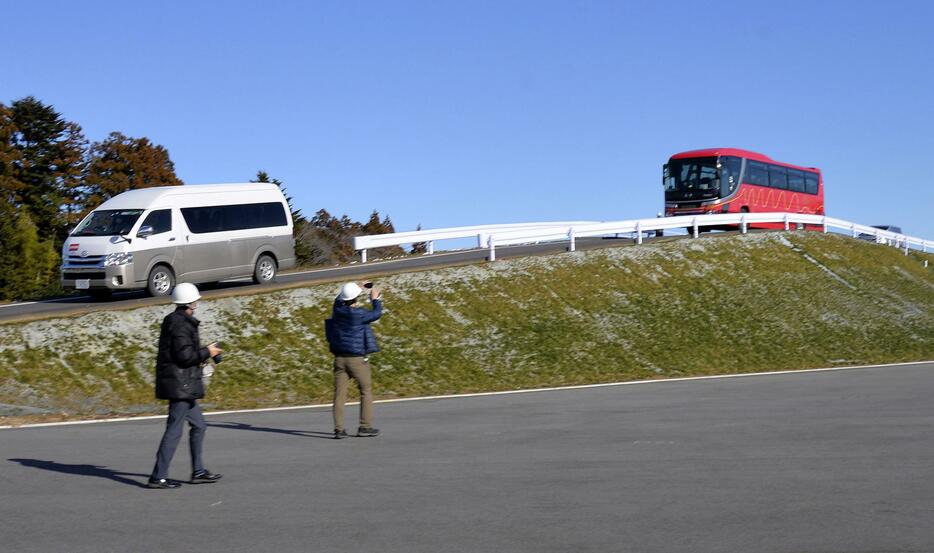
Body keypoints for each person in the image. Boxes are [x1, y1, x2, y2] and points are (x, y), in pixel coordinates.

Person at [147, 282, 224, 489]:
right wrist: (208, 352)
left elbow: (184, 352)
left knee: (199, 425)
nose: (197, 302)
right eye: (196, 300)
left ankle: (198, 471)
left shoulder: (178, 321)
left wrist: (204, 352)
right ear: (191, 302)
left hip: (183, 385)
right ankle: (158, 476)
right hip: (180, 386)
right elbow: (185, 357)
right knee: (174, 430)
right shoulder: (181, 324)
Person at [326, 282, 383, 439]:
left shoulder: (338, 310)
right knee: (365, 391)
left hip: (339, 358)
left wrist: (353, 287)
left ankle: (339, 429)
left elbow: (338, 300)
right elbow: (377, 313)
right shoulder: (360, 314)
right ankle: (365, 426)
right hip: (356, 359)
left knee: (339, 394)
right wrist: (375, 299)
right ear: (356, 298)